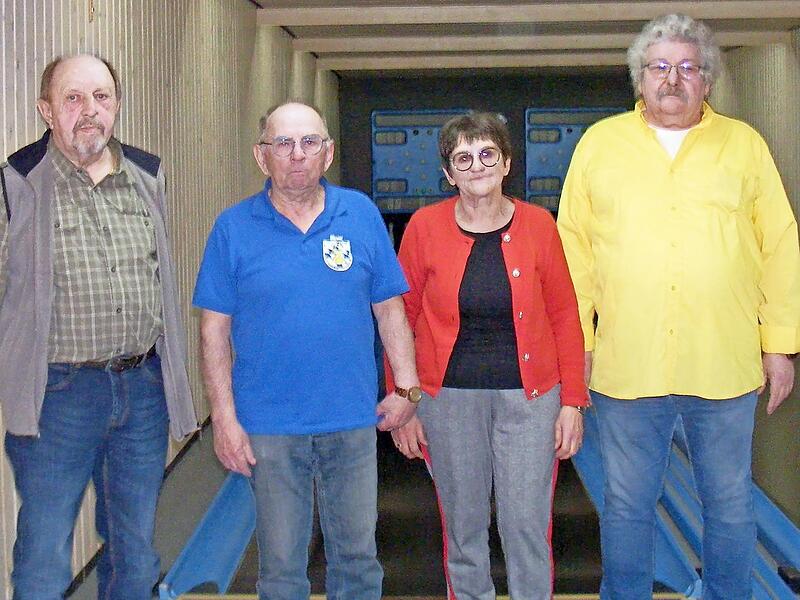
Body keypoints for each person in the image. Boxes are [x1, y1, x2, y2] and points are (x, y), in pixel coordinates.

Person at [557, 14, 800, 600]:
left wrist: (780, 345)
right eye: (659, 67)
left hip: (725, 361)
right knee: (626, 505)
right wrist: (578, 348)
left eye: (687, 67)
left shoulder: (743, 146)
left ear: (707, 80)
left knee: (730, 502)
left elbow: (780, 244)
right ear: (639, 79)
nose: (673, 79)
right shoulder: (601, 145)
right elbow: (573, 252)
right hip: (626, 362)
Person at [193, 101, 420, 600]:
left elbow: (390, 311)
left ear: (328, 152)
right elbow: (213, 332)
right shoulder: (233, 228)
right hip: (270, 428)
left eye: (309, 142)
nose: (297, 154)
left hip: (352, 420)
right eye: (283, 144)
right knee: (280, 568)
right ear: (262, 156)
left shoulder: (359, 214)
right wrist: (224, 419)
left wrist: (407, 388)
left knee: (358, 559)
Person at [0, 54, 198, 599]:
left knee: (135, 552)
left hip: (142, 389)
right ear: (46, 110)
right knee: (43, 554)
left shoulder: (147, 176)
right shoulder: (17, 185)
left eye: (102, 97)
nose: (90, 112)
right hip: (57, 395)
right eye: (73, 99)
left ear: (116, 106)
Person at [389, 112, 588, 600]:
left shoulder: (540, 225)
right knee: (464, 525)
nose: (476, 166)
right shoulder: (423, 227)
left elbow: (564, 313)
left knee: (525, 524)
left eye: (487, 155)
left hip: (532, 398)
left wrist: (573, 402)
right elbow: (401, 319)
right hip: (447, 399)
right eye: (463, 158)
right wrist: (404, 402)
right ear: (448, 173)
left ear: (505, 164)